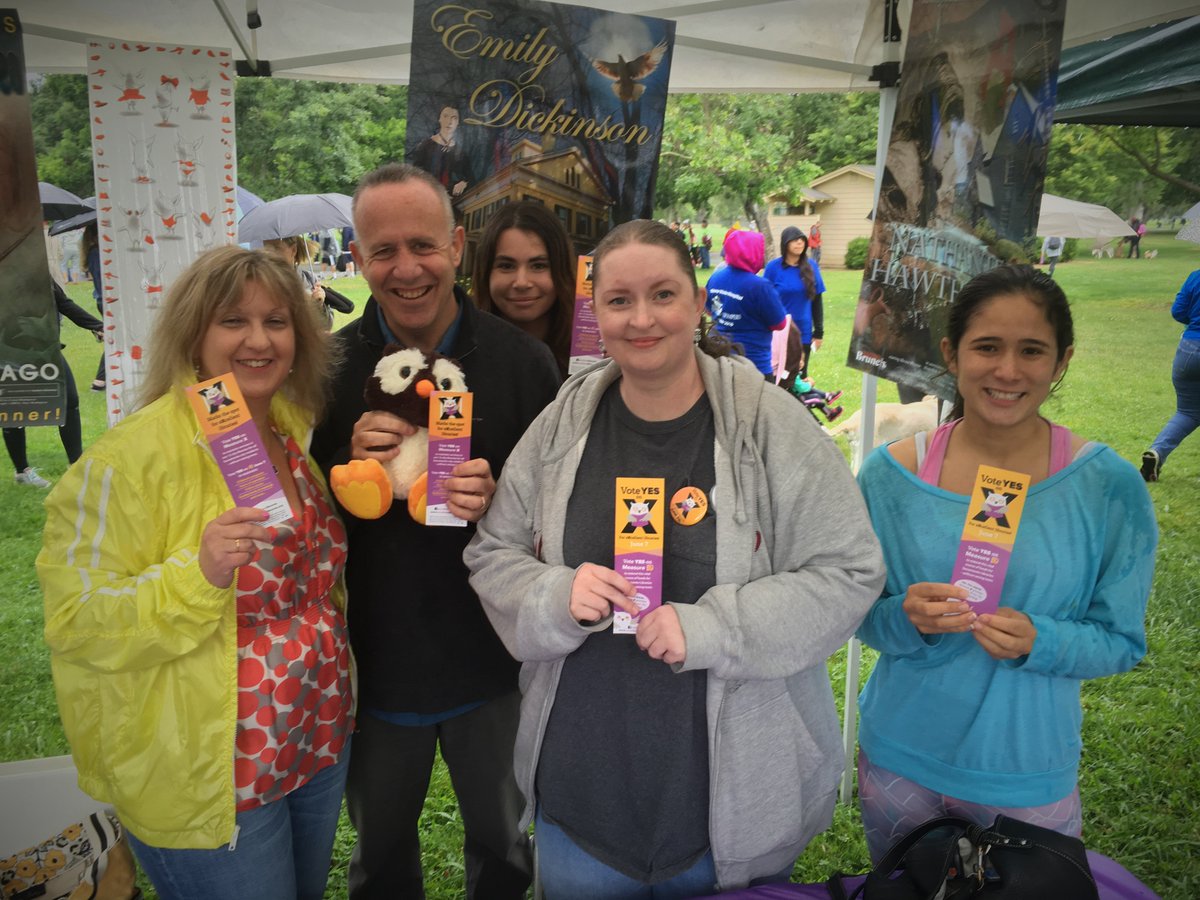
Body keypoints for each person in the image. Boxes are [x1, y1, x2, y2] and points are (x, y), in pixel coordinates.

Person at [464, 219, 885, 897]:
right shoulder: (562, 426)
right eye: (619, 300)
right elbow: (492, 554)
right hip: (582, 803)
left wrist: (715, 628)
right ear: (594, 313)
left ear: (696, 301)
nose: (642, 319)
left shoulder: (769, 425)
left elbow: (849, 570)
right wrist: (552, 595)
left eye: (662, 295)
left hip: (727, 813)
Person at [38, 246, 353, 900]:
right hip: (208, 773)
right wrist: (198, 574)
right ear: (194, 335)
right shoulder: (129, 461)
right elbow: (75, 624)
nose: (259, 340)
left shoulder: (290, 429)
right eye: (233, 321)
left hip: (315, 739)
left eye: (277, 320)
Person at [310, 163, 559, 900]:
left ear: (456, 245)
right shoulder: (326, 368)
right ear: (356, 259)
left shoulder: (522, 363)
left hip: (493, 662)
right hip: (376, 664)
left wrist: (499, 498)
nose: (406, 268)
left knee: (505, 850)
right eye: (383, 250)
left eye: (423, 245)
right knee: (380, 860)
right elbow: (294, 517)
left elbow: (556, 513)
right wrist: (340, 464)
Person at [853, 264, 1157, 863]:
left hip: (1025, 772)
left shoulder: (1107, 488)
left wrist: (1039, 640)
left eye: (1032, 351)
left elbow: (1121, 640)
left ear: (1061, 361)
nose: (1008, 370)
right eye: (987, 347)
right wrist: (903, 619)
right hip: (900, 758)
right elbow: (858, 613)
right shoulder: (890, 478)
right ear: (951, 352)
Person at [5, 281, 102, 487]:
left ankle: (76, 465)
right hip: (11, 351)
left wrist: (97, 325)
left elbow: (64, 304)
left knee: (69, 401)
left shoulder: (38, 273)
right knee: (14, 407)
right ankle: (22, 471)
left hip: (47, 349)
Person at [471, 200, 576, 378]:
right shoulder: (459, 360)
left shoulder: (592, 356)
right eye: (506, 266)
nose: (522, 282)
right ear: (486, 273)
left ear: (561, 270)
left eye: (538, 266)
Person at [1141, 267, 1200, 481]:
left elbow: (1178, 311)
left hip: (1189, 350)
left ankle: (1157, 453)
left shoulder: (1195, 276)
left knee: (1188, 412)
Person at [705, 229, 788, 377]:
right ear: (753, 252)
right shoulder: (760, 286)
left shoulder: (715, 278)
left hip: (719, 360)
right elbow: (779, 324)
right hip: (754, 364)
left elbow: (709, 310)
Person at [764, 226, 826, 379]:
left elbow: (817, 301)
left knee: (799, 378)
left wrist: (818, 333)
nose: (799, 243)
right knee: (777, 377)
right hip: (778, 332)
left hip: (803, 333)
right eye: (795, 240)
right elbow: (765, 300)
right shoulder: (773, 268)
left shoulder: (811, 266)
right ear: (785, 243)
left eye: (802, 240)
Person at [263, 235, 353, 327]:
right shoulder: (260, 282)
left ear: (294, 250)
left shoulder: (309, 279)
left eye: (276, 248)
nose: (269, 253)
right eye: (266, 248)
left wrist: (318, 306)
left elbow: (326, 326)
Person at [410, 106, 471, 199]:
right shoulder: (425, 146)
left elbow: (469, 177)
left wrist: (464, 183)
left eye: (454, 118)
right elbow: (415, 176)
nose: (449, 122)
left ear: (458, 122)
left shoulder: (461, 152)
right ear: (440, 119)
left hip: (454, 202)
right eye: (445, 116)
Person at [81, 222, 106, 390]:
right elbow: (102, 281)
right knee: (115, 342)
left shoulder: (94, 252)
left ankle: (100, 380)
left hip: (104, 300)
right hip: (106, 301)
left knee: (114, 341)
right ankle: (99, 381)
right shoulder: (96, 253)